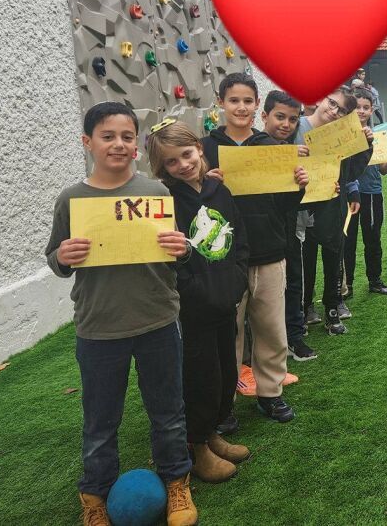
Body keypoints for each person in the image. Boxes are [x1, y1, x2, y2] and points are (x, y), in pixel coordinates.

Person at [45, 102, 197, 526]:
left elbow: (177, 254)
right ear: (87, 142)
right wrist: (62, 256)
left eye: (127, 137)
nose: (118, 144)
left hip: (158, 319)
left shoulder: (157, 193)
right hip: (99, 327)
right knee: (100, 420)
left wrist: (183, 250)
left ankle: (177, 482)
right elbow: (54, 259)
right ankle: (94, 496)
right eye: (107, 136)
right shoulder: (72, 199)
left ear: (136, 145)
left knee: (168, 412)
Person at [145, 119, 256, 484]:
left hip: (226, 302)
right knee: (200, 378)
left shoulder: (219, 191)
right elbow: (169, 258)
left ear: (199, 148)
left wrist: (237, 280)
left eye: (186, 154)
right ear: (162, 168)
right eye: (172, 161)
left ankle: (212, 433)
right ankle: (197, 447)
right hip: (193, 310)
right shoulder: (167, 202)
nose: (183, 164)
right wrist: (195, 290)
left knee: (226, 372)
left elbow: (238, 240)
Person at [201, 73, 303, 425]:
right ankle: (224, 401)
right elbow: (193, 202)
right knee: (228, 331)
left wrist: (298, 186)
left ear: (257, 105)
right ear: (221, 103)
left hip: (268, 249)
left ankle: (270, 393)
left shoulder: (271, 147)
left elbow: (286, 206)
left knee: (271, 327)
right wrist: (205, 184)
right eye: (234, 100)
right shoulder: (205, 148)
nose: (241, 107)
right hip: (223, 255)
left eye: (247, 101)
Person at [299, 85, 374, 332]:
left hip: (332, 205)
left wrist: (366, 145)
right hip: (300, 209)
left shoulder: (342, 135)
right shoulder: (296, 127)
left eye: (342, 111)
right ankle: (305, 306)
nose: (334, 112)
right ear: (321, 98)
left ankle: (333, 308)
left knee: (333, 257)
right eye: (332, 103)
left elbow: (351, 172)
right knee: (305, 260)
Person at [259, 90, 318, 363]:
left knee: (294, 279)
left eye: (292, 119)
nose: (286, 124)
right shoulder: (252, 147)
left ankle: (294, 335)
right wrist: (283, 155)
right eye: (280, 117)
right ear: (265, 115)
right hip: (260, 232)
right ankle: (264, 345)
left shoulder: (296, 147)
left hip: (290, 225)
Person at [344, 88, 387, 296]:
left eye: (366, 107)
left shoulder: (378, 137)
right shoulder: (344, 137)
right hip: (348, 196)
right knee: (347, 241)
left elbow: (383, 170)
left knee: (373, 239)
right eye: (357, 107)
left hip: (372, 193)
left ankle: (375, 280)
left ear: (371, 110)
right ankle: (347, 285)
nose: (361, 111)